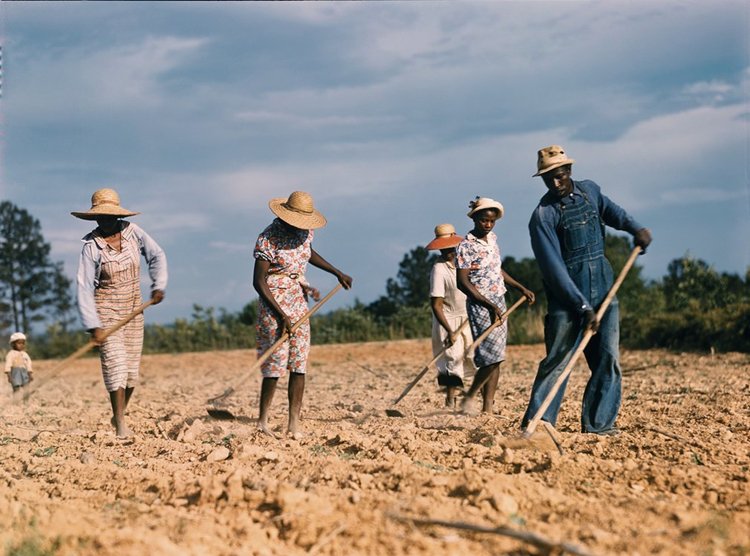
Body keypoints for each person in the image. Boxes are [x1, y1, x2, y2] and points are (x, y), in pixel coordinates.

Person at [521, 145, 652, 435]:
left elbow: (613, 212)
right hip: (566, 301)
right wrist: (581, 306)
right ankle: (539, 426)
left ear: (569, 170)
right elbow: (554, 270)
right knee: (558, 362)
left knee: (607, 359)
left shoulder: (590, 192)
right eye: (548, 178)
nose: (556, 182)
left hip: (605, 289)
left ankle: (599, 424)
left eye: (560, 175)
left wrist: (635, 228)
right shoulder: (543, 216)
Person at [253, 191, 352, 438]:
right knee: (275, 363)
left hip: (298, 300)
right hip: (273, 302)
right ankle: (263, 421)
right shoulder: (268, 238)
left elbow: (308, 252)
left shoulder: (305, 233)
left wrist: (336, 271)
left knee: (299, 362)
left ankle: (293, 424)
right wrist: (281, 315)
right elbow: (258, 282)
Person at [73, 188, 167, 438]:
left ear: (117, 215)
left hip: (134, 309)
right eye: (100, 216)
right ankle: (122, 424)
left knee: (131, 372)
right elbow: (83, 286)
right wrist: (94, 326)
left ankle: (117, 415)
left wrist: (158, 285)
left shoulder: (133, 233)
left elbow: (157, 256)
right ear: (94, 218)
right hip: (106, 310)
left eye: (109, 216)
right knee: (115, 366)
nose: (105, 220)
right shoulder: (91, 246)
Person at [456, 197, 535, 414]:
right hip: (480, 304)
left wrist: (520, 287)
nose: (488, 225)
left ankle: (487, 407)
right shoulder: (466, 245)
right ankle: (470, 396)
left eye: (491, 221)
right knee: (490, 356)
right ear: (475, 219)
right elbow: (462, 282)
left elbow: (496, 270)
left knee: (497, 356)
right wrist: (488, 304)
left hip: (499, 299)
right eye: (483, 220)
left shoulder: (493, 240)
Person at [426, 224, 476, 408]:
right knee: (452, 361)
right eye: (445, 248)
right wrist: (449, 331)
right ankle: (450, 401)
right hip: (447, 320)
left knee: (473, 357)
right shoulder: (439, 269)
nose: (449, 251)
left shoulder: (464, 262)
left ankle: (473, 399)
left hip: (467, 317)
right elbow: (436, 305)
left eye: (452, 247)